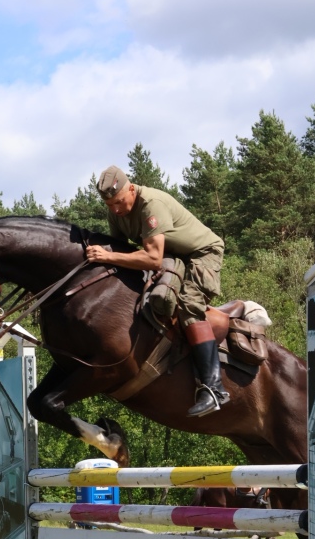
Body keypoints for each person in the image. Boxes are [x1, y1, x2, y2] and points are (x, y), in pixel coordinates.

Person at [86, 164, 228, 417]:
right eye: (110, 206)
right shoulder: (115, 211)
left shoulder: (151, 204)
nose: (116, 210)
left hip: (201, 253)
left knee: (188, 305)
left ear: (131, 188)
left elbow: (152, 258)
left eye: (119, 202)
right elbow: (123, 250)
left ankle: (214, 389)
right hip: (172, 256)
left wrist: (107, 256)